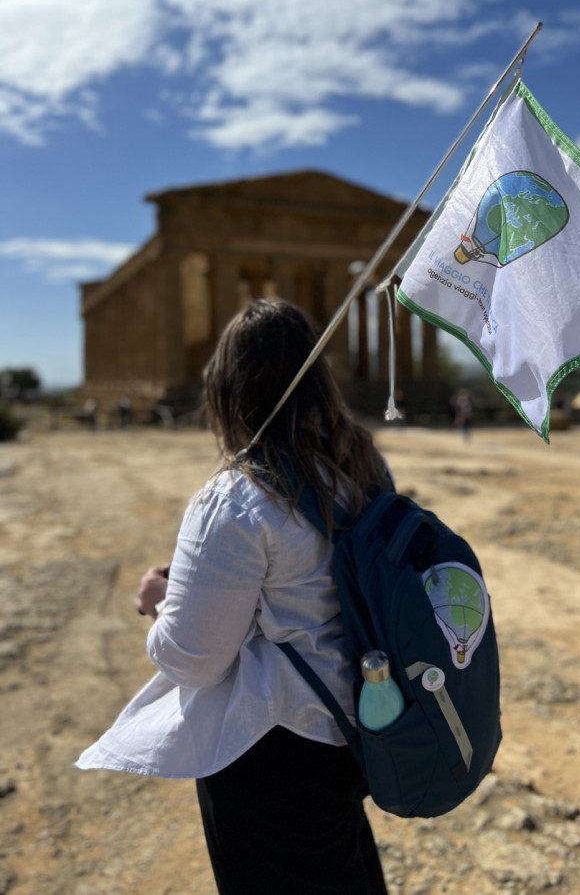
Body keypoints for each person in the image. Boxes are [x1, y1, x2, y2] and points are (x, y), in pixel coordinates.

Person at [77, 299, 390, 895]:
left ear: (225, 390)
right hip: (357, 724)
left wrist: (158, 602)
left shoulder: (236, 500)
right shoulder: (361, 471)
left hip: (270, 747)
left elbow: (195, 659)